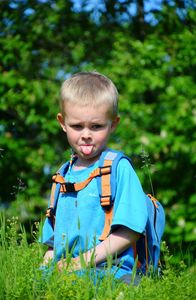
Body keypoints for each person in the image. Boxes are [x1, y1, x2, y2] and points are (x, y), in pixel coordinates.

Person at [41, 71, 148, 281]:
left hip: (110, 273)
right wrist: (44, 271)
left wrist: (78, 263)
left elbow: (130, 232)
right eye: (77, 126)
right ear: (62, 123)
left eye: (96, 126)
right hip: (67, 273)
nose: (86, 134)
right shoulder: (62, 176)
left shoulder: (118, 168)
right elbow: (53, 245)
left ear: (113, 124)